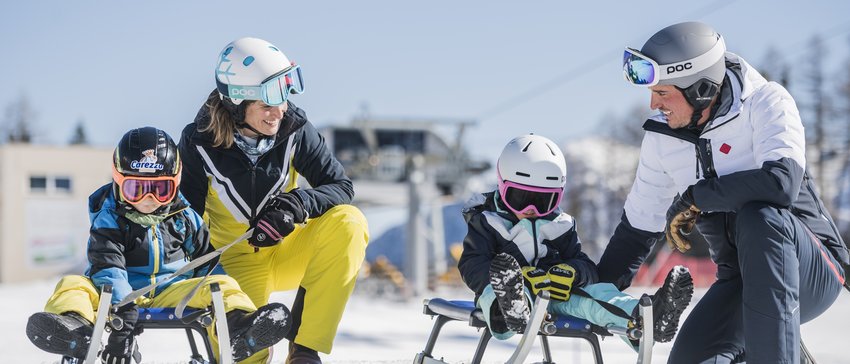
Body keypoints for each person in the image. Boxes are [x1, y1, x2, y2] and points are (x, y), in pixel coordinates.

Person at [603, 21, 850, 363]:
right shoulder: (662, 138)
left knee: (761, 216)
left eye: (662, 92)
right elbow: (637, 229)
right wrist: (593, 289)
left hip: (811, 269)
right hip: (740, 279)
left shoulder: (764, 102)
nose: (653, 105)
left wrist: (695, 197)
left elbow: (780, 183)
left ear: (700, 90)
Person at [25, 127, 291, 363]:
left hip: (172, 290)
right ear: (118, 182)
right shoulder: (110, 220)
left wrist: (215, 286)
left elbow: (207, 263)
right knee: (73, 284)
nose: (149, 199)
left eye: (161, 190)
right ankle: (75, 328)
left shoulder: (184, 218)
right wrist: (123, 305)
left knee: (222, 285)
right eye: (135, 190)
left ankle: (238, 327)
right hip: (115, 293)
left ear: (175, 185)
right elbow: (107, 266)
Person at [178, 37, 369, 364]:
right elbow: (186, 224)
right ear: (237, 105)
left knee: (349, 222)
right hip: (234, 265)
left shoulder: (295, 127)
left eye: (285, 93)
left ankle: (305, 350)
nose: (280, 110)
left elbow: (340, 186)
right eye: (267, 102)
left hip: (287, 247)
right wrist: (210, 284)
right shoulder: (198, 143)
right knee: (246, 355)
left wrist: (298, 204)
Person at [458, 134, 694, 347]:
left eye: (543, 202)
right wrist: (517, 281)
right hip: (510, 293)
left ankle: (646, 318)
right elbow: (472, 264)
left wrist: (573, 273)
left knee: (597, 295)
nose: (531, 209)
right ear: (501, 186)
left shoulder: (560, 225)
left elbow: (585, 265)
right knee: (493, 291)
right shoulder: (487, 222)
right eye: (520, 198)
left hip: (558, 296)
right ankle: (512, 305)